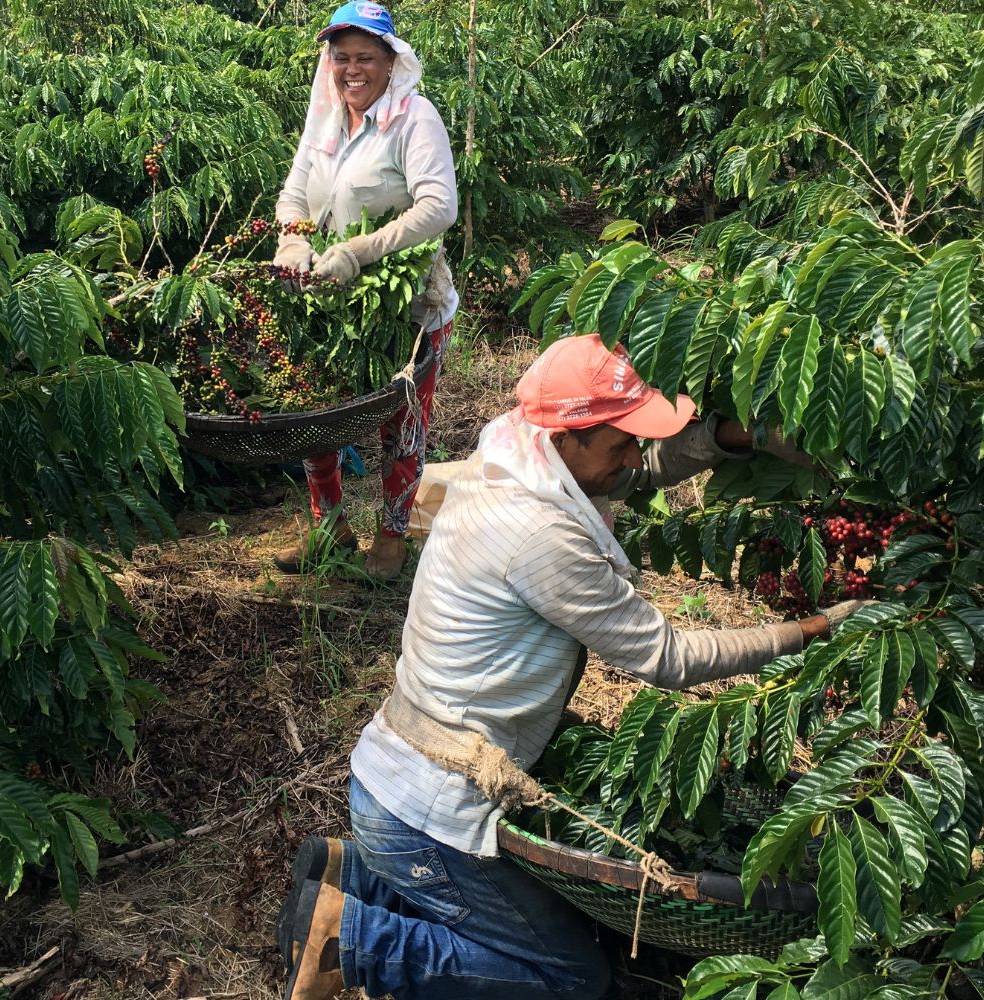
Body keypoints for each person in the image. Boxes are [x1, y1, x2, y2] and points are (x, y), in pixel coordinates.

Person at [276, 334, 868, 1000]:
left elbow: (632, 471)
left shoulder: (515, 449)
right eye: (620, 443)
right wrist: (807, 630)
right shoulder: (536, 535)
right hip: (427, 812)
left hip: (395, 772)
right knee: (570, 978)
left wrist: (725, 437)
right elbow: (665, 656)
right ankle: (353, 942)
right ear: (570, 437)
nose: (634, 457)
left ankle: (351, 872)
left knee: (552, 934)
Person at [271, 0, 459, 581]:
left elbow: (439, 206)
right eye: (342, 57)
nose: (353, 70)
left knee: (400, 421)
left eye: (366, 58)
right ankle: (329, 524)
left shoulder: (413, 118)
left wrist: (361, 250)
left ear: (391, 61)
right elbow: (295, 193)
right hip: (327, 297)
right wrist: (293, 241)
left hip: (407, 307)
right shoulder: (326, 118)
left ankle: (392, 533)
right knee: (314, 412)